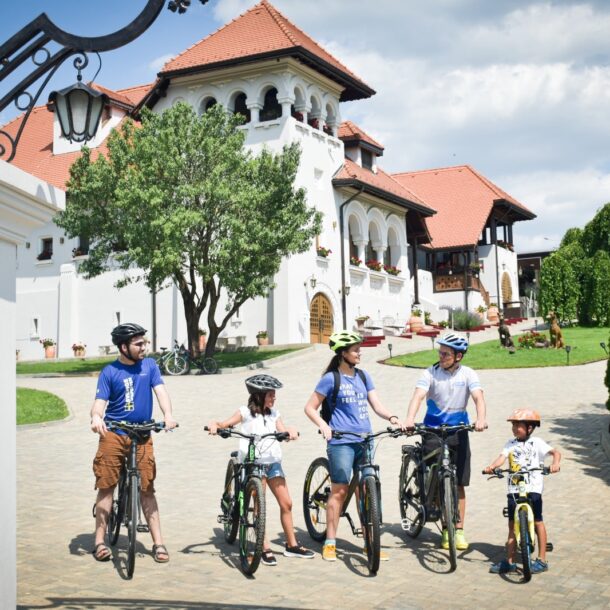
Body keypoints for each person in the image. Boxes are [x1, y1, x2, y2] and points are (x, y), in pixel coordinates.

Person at [304, 330, 402, 562]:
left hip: (364, 439)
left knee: (366, 490)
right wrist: (324, 426)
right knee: (340, 490)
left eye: (359, 348)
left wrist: (392, 417)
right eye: (355, 349)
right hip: (341, 442)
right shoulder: (330, 379)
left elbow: (376, 404)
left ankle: (370, 542)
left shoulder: (364, 376)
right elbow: (310, 408)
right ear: (343, 353)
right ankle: (330, 541)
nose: (360, 352)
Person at [90, 323, 177, 563]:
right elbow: (99, 403)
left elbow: (160, 391)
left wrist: (168, 415)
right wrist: (97, 418)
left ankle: (158, 543)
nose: (144, 347)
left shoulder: (149, 366)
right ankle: (99, 541)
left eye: (144, 342)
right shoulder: (110, 371)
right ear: (123, 347)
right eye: (138, 344)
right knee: (106, 486)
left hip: (142, 433)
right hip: (114, 434)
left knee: (147, 488)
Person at [207, 374, 314, 566]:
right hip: (253, 464)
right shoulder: (245, 413)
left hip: (273, 463)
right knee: (259, 507)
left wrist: (290, 432)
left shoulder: (274, 413)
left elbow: (283, 429)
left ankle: (292, 545)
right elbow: (225, 424)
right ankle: (263, 547)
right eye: (271, 394)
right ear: (259, 395)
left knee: (287, 503)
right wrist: (216, 425)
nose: (274, 397)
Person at [403, 332, 487, 551]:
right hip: (433, 431)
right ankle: (437, 514)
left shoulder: (468, 374)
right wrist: (410, 419)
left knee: (458, 483)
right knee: (435, 477)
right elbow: (418, 396)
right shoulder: (430, 373)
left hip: (458, 431)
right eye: (440, 352)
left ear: (458, 356)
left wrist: (481, 418)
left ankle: (457, 530)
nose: (441, 356)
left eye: (446, 353)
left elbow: (478, 397)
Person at [484, 409, 561, 575]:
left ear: (530, 428)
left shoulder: (537, 443)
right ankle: (510, 562)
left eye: (518, 425)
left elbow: (556, 452)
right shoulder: (509, 444)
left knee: (538, 521)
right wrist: (492, 466)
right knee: (512, 526)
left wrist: (555, 463)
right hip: (514, 489)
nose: (514, 428)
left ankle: (541, 559)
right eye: (513, 425)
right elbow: (501, 458)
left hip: (533, 488)